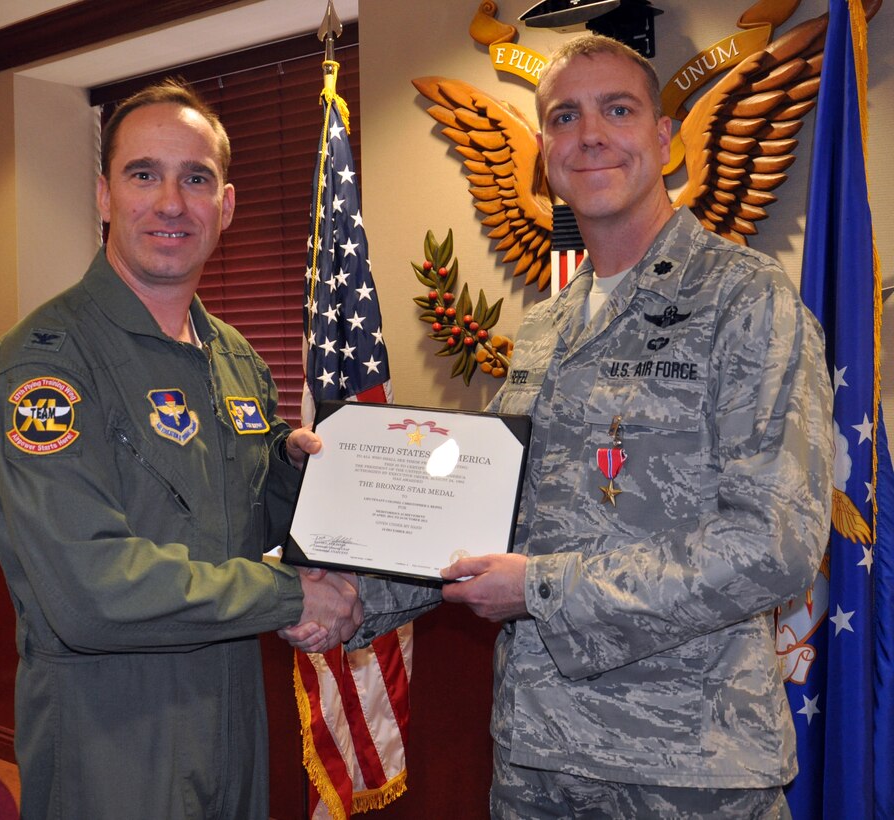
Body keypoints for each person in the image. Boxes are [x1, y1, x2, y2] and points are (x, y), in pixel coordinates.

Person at [291, 34, 834, 818]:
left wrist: (539, 587)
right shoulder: (545, 328)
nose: (590, 135)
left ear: (664, 137)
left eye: (618, 109)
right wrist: (345, 581)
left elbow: (776, 544)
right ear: (545, 152)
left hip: (688, 769)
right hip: (537, 759)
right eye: (565, 117)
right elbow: (484, 517)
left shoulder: (746, 301)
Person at [0, 79, 360, 819]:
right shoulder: (44, 369)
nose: (171, 203)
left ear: (225, 205)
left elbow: (228, 523)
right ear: (104, 196)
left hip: (234, 713)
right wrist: (288, 596)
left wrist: (295, 475)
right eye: (143, 174)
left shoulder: (236, 356)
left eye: (196, 179)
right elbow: (91, 590)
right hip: (113, 733)